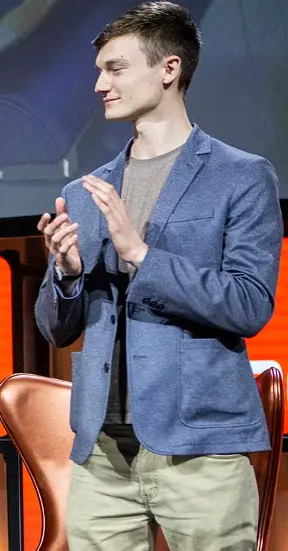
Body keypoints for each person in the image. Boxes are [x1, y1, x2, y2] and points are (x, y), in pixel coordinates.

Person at [35, 2, 283, 548]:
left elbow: (249, 304)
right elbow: (56, 330)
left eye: (115, 68)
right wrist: (68, 275)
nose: (99, 84)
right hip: (102, 453)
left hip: (200, 448)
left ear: (169, 69)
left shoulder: (240, 176)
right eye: (99, 70)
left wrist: (142, 255)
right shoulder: (86, 190)